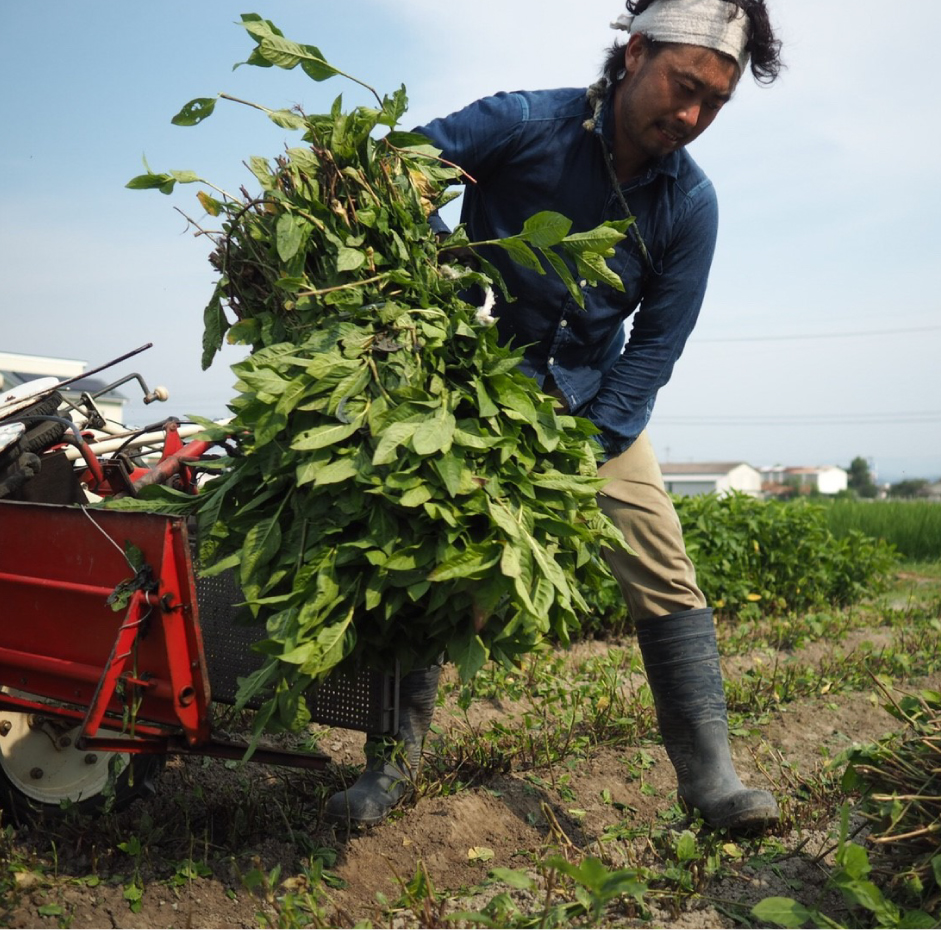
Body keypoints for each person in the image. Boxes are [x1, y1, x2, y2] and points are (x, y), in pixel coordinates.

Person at [325, 0, 784, 832]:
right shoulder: (522, 124)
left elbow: (653, 350)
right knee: (434, 562)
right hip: (464, 389)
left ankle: (710, 781)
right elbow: (390, 170)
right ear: (635, 53)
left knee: (661, 561)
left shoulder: (690, 203)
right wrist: (437, 278)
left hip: (588, 401)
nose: (690, 116)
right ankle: (387, 768)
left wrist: (582, 448)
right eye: (683, 88)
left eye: (713, 104)